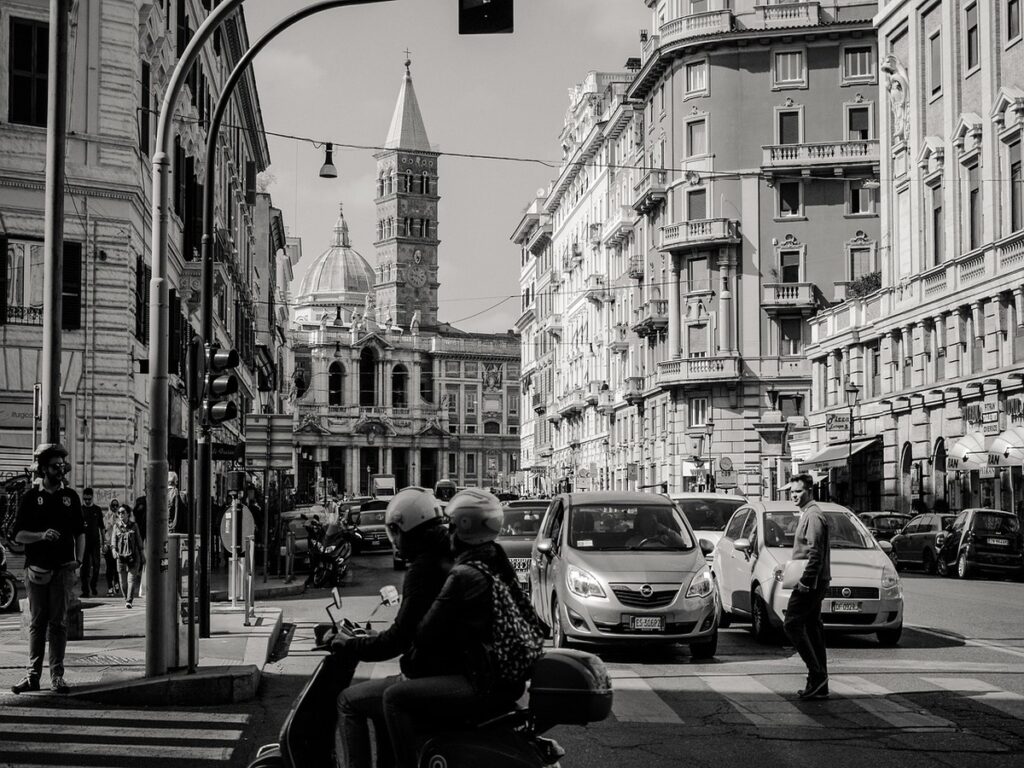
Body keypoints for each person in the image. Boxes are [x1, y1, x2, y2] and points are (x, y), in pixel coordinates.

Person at [381, 489, 533, 768]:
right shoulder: (494, 557)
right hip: (505, 677)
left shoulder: (462, 575)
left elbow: (424, 635)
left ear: (464, 527)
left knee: (392, 698)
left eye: (451, 524)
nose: (446, 531)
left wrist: (410, 663)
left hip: (480, 679)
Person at [332, 487, 455, 768]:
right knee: (380, 701)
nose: (395, 541)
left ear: (408, 529)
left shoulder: (424, 569)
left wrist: (351, 644)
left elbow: (399, 639)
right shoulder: (445, 554)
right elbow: (416, 628)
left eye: (396, 532)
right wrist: (375, 636)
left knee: (349, 701)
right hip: (445, 666)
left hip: (433, 673)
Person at [11, 444, 85, 694]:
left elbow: (80, 532)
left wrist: (80, 561)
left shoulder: (71, 497)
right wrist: (41, 535)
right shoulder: (31, 498)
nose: (60, 470)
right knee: (38, 623)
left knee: (59, 623)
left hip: (63, 569)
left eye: (63, 466)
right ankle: (33, 676)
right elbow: (19, 535)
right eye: (55, 466)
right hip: (37, 570)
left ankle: (57, 676)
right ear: (43, 469)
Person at [784, 473, 832, 700]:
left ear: (810, 491)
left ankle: (817, 673)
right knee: (813, 627)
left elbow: (816, 554)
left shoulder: (813, 516)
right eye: (792, 492)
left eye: (799, 491)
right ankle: (819, 682)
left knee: (792, 623)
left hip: (810, 582)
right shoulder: (808, 514)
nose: (794, 496)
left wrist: (805, 581)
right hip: (813, 580)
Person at [112, 504, 145, 608]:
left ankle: (129, 600)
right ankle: (126, 598)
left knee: (131, 580)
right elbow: (113, 540)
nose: (121, 514)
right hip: (120, 557)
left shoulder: (134, 526)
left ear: (128, 514)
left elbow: (139, 541)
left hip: (133, 557)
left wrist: (142, 555)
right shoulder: (116, 526)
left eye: (123, 512)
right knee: (123, 582)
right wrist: (114, 550)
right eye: (119, 513)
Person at [79, 488, 105, 598]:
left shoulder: (97, 510)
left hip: (95, 542)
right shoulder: (80, 510)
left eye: (89, 499)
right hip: (84, 543)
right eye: (85, 499)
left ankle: (93, 584)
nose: (87, 501)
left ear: (92, 497)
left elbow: (102, 527)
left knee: (96, 565)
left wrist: (104, 542)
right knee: (84, 567)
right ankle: (85, 590)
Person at [102, 499, 121, 597]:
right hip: (108, 544)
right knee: (109, 568)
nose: (114, 507)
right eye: (112, 505)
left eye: (116, 505)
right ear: (110, 506)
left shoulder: (120, 516)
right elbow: (104, 529)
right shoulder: (106, 516)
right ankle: (110, 587)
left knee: (116, 567)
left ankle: (117, 582)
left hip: (117, 545)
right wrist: (103, 544)